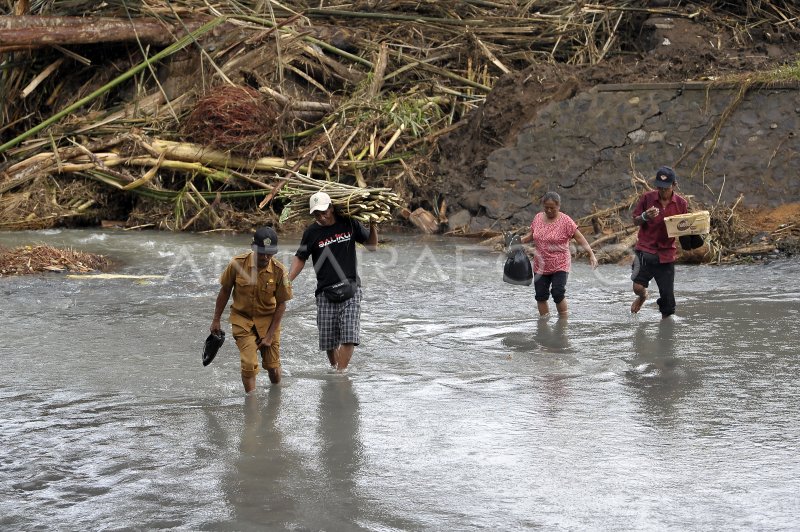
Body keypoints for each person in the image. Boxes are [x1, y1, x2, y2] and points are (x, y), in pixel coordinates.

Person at [288, 191, 378, 371]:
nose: (321, 217)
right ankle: (336, 367)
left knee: (349, 336)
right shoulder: (311, 232)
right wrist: (287, 279)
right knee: (329, 342)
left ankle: (341, 374)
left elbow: (372, 247)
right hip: (325, 292)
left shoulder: (350, 223)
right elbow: (301, 257)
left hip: (351, 288)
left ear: (332, 207)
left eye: (324, 212)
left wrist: (373, 224)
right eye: (316, 214)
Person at [210, 227, 292, 393]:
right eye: (261, 252)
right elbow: (225, 291)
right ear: (253, 247)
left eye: (269, 253)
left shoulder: (279, 270)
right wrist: (216, 320)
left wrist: (269, 336)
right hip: (242, 320)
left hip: (269, 322)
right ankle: (251, 404)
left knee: (273, 368)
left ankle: (276, 395)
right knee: (248, 364)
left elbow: (282, 304)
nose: (265, 257)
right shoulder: (237, 264)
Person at [520, 191, 598, 317]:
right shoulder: (538, 218)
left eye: (552, 208)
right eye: (546, 208)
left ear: (559, 206)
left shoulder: (566, 221)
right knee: (540, 296)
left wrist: (591, 254)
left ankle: (563, 324)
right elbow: (532, 235)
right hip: (541, 264)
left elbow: (580, 238)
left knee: (558, 292)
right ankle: (544, 325)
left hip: (560, 264)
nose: (549, 210)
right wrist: (520, 241)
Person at [630, 165, 688, 318]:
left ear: (674, 185)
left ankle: (666, 336)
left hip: (666, 254)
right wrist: (644, 217)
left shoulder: (681, 204)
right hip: (645, 250)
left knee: (668, 305)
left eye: (666, 188)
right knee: (637, 287)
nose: (662, 191)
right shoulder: (647, 199)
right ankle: (643, 296)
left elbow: (685, 228)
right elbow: (635, 221)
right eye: (659, 187)